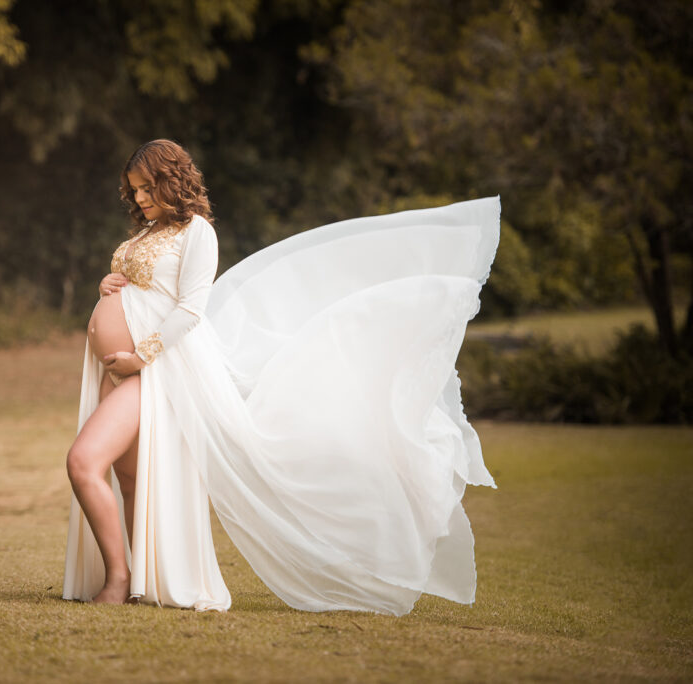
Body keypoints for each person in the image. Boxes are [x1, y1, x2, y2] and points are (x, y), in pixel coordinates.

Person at [63, 138, 500, 615]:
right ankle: (133, 578)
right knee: (128, 480)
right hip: (122, 371)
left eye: (149, 187)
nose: (142, 198)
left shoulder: (197, 233)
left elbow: (190, 309)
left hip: (153, 372)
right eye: (135, 190)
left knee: (84, 462)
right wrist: (107, 286)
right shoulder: (146, 235)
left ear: (172, 180)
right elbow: (143, 289)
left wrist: (140, 357)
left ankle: (118, 579)